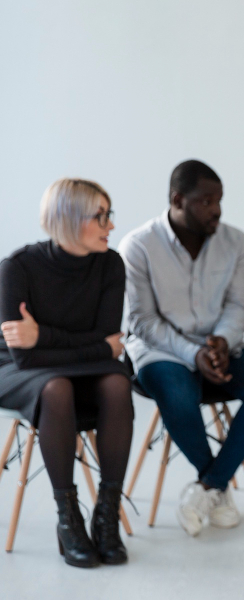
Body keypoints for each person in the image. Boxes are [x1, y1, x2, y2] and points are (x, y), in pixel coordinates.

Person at [119, 160, 244, 537]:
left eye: (219, 200)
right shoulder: (138, 246)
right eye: (206, 201)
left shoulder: (235, 242)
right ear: (178, 199)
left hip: (222, 344)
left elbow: (239, 306)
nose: (217, 209)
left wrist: (222, 341)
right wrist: (193, 355)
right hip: (160, 350)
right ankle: (218, 488)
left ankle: (207, 487)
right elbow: (141, 320)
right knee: (177, 392)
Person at [0, 179, 132, 568]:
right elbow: (25, 359)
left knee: (117, 382)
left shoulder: (111, 264)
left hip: (74, 366)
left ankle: (107, 515)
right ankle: (68, 518)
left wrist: (43, 336)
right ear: (69, 219)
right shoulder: (17, 268)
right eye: (101, 216)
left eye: (110, 215)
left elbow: (112, 344)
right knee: (56, 388)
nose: (110, 225)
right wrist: (90, 347)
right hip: (16, 371)